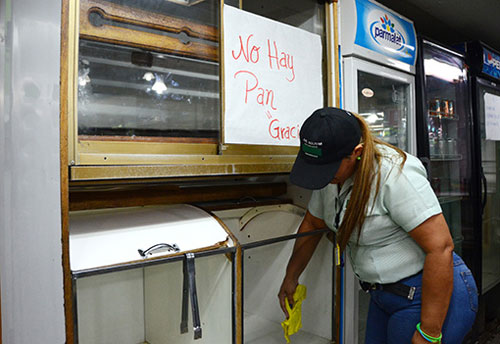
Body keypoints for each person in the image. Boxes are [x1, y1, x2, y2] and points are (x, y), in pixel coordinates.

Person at [278, 107, 478, 343]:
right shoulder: (333, 178)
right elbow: (313, 223)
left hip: (428, 294)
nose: (322, 177)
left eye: (327, 169)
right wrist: (290, 277)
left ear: (356, 153)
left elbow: (441, 247)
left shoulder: (394, 173)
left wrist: (429, 333)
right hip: (383, 295)